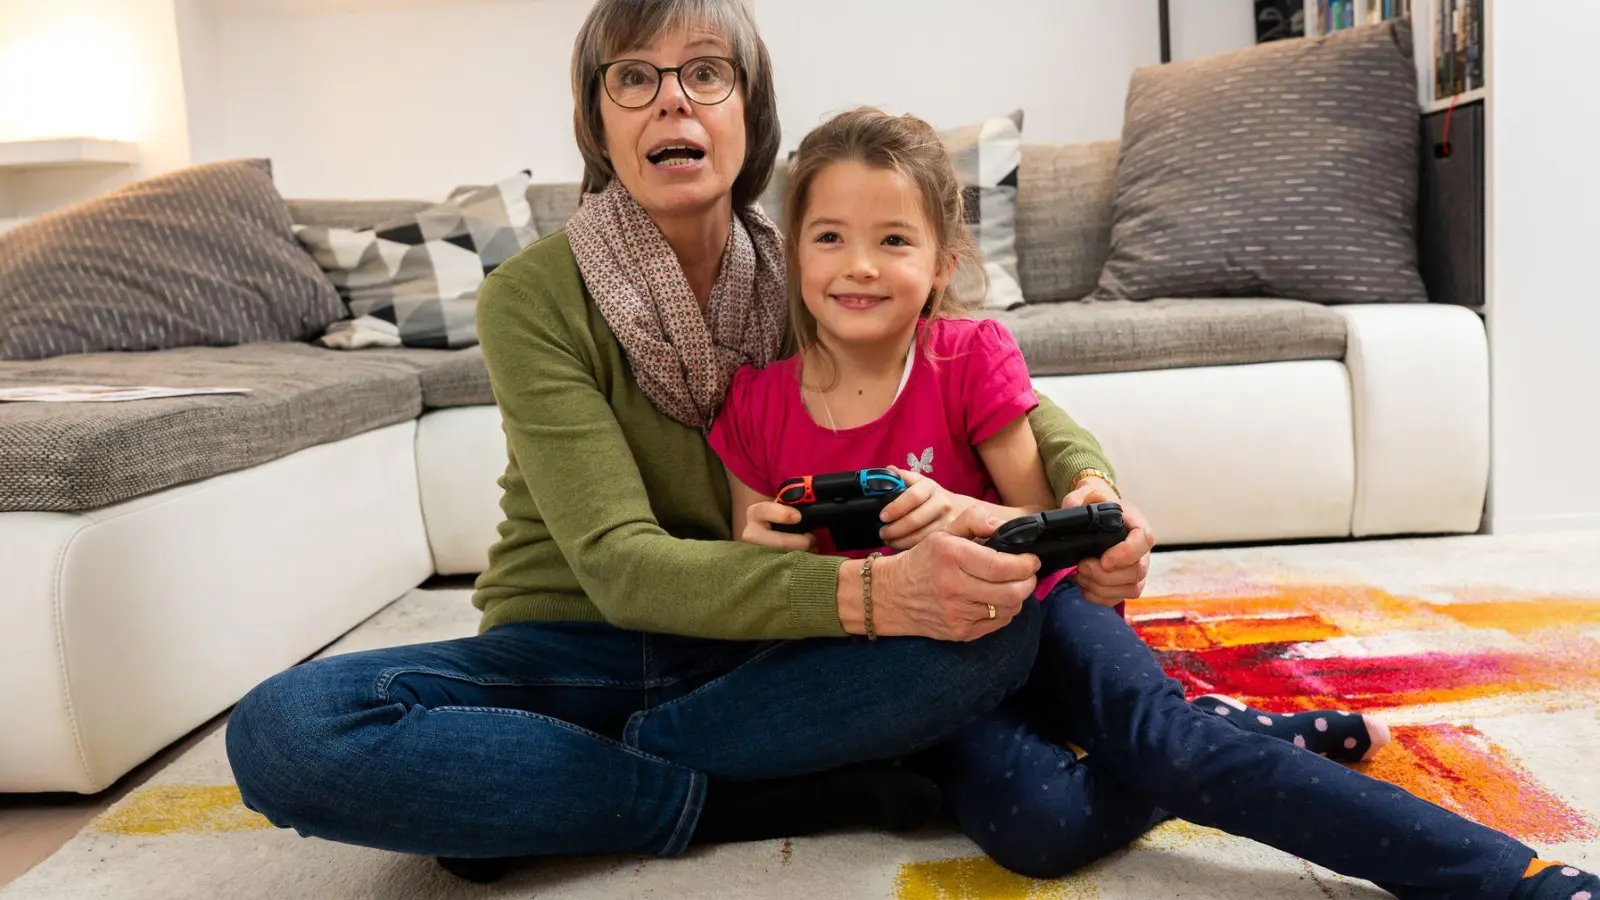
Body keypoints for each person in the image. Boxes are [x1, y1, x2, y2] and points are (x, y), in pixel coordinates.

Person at [223, 0, 1157, 885]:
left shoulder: (817, 269)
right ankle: (735, 794)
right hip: (572, 647)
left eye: (706, 73)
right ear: (599, 124)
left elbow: (989, 377)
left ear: (752, 114)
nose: (673, 97)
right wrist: (873, 593)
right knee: (287, 731)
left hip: (760, 647)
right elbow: (621, 567)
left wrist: (1088, 490)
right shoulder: (532, 298)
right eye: (635, 77)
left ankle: (546, 792)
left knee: (997, 624)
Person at [711, 105, 1599, 900]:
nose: (858, 266)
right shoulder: (755, 404)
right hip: (923, 676)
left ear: (942, 263)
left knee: (1161, 744)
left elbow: (1048, 537)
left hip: (1040, 616)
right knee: (1039, 827)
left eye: (893, 241)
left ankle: (1507, 876)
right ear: (791, 251)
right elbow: (752, 577)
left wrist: (963, 512)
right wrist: (767, 558)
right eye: (828, 237)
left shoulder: (966, 356)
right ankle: (1221, 727)